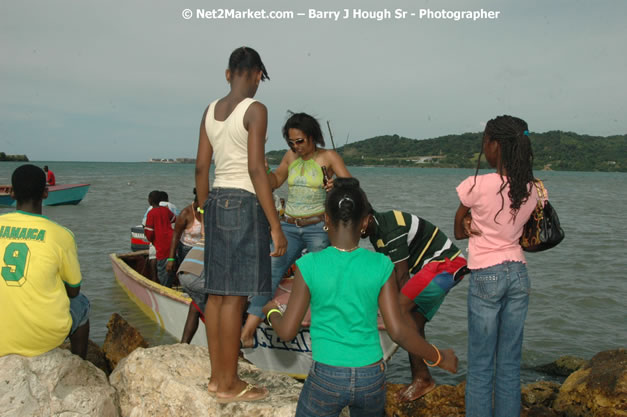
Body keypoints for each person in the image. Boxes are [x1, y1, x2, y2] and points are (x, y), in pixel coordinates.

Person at [263, 178, 458, 417]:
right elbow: (397, 330)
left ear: (326, 218)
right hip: (371, 377)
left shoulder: (308, 265)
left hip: (327, 376)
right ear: (365, 221)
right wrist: (438, 356)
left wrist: (271, 310)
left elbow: (286, 332)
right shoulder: (381, 264)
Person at [195, 46, 287, 403]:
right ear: (255, 74)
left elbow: (202, 168)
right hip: (244, 203)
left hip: (216, 201)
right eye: (260, 78)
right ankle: (230, 383)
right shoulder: (255, 110)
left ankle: (218, 380)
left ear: (227, 72)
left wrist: (205, 212)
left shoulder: (210, 111)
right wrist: (275, 225)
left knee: (217, 297)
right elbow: (255, 169)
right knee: (234, 299)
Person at [240, 111, 351, 349]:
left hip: (318, 228)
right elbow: (275, 181)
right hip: (289, 226)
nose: (296, 146)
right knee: (268, 275)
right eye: (291, 142)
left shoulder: (328, 156)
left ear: (313, 137)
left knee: (319, 279)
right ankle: (248, 332)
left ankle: (325, 331)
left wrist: (338, 184)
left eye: (300, 141)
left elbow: (351, 184)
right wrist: (264, 172)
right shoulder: (290, 157)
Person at [454, 115, 541, 417]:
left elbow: (458, 229)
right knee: (508, 365)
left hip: (486, 275)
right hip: (518, 272)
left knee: (480, 367)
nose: (484, 149)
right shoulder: (531, 188)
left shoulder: (477, 184)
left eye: (485, 143)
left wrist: (466, 219)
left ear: (495, 145)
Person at [361, 206, 468, 401]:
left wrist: (391, 312)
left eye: (356, 224)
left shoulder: (389, 229)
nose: (354, 231)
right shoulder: (376, 233)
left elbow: (402, 276)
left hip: (445, 263)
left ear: (367, 219)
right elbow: (390, 274)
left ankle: (424, 375)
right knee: (413, 321)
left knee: (400, 312)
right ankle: (423, 378)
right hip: (439, 267)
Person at [0, 164, 90, 359]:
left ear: (12, 193)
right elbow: (74, 290)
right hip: (43, 339)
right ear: (45, 193)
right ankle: (80, 366)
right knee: (82, 304)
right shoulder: (60, 235)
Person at [143, 190, 176, 287]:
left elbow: (149, 233)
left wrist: (152, 241)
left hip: (161, 244)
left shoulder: (151, 213)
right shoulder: (166, 210)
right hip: (171, 241)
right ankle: (170, 284)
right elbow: (174, 219)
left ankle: (165, 288)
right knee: (171, 265)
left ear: (150, 200)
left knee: (162, 269)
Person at [166, 188, 202, 274]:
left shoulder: (208, 212)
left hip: (202, 249)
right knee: (187, 276)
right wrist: (171, 259)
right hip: (187, 250)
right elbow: (176, 236)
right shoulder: (185, 213)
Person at [177, 244, 207, 343]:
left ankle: (184, 344)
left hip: (184, 272)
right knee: (219, 310)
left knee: (195, 306)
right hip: (198, 276)